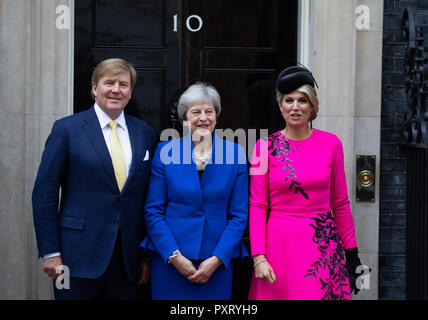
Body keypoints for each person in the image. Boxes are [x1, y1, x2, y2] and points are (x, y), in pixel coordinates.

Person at [32, 58, 156, 300]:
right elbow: (44, 194)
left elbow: (146, 197)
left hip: (127, 260)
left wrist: (145, 255)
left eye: (123, 84)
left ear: (130, 92)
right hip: (75, 257)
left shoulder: (145, 133)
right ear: (94, 88)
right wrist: (50, 252)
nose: (116, 90)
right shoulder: (66, 129)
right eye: (109, 83)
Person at [248, 66, 364, 300]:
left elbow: (340, 203)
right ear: (280, 105)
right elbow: (257, 205)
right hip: (279, 246)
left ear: (312, 106)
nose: (295, 106)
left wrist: (352, 254)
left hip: (323, 245)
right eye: (288, 100)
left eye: (302, 100)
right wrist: (259, 257)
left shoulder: (332, 144)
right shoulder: (263, 148)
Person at [140, 82, 248, 300]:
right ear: (185, 118)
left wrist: (218, 258)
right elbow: (153, 211)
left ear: (216, 116)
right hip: (171, 261)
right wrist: (174, 256)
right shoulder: (165, 152)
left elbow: (239, 215)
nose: (203, 117)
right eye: (196, 112)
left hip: (216, 264)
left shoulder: (235, 154)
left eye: (209, 111)